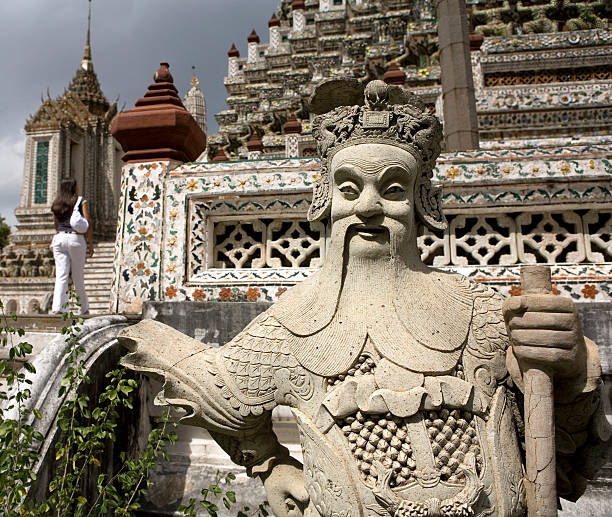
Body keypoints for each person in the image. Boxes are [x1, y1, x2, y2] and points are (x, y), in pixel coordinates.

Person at [119, 81, 610, 517]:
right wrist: (270, 464)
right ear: (326, 202)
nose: (369, 206)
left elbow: (562, 458)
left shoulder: (481, 313)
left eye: (392, 189)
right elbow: (217, 393)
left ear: (421, 203)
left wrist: (569, 366)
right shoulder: (292, 326)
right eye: (349, 188)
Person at [50, 179, 93, 315]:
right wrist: (90, 243)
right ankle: (83, 308)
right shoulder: (80, 201)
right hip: (75, 238)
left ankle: (58, 307)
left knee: (61, 275)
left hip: (59, 238)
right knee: (77, 276)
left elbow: (55, 223)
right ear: (74, 188)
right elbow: (88, 221)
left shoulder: (57, 203)